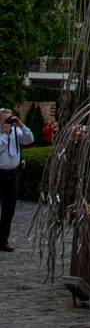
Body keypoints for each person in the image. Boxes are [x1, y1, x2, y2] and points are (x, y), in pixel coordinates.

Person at [0, 108, 35, 252]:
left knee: (9, 209)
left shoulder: (15, 130)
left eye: (10, 119)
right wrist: (5, 135)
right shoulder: (4, 133)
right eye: (5, 119)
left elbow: (29, 139)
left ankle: (3, 240)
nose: (9, 122)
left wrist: (20, 125)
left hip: (12, 174)